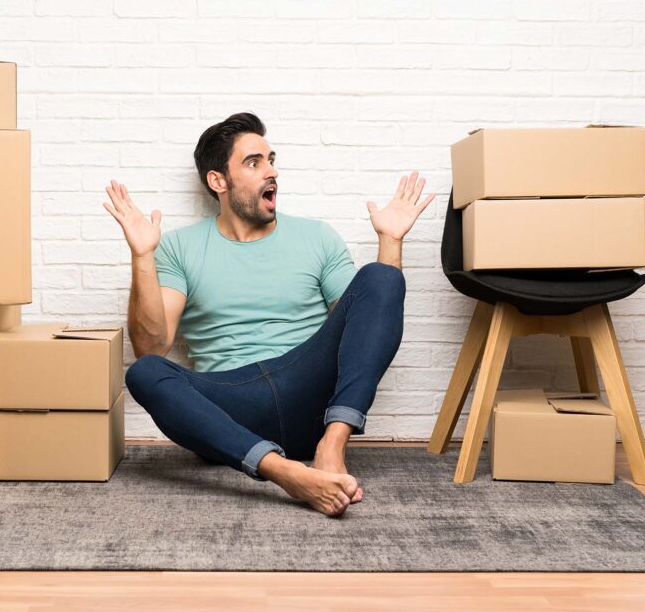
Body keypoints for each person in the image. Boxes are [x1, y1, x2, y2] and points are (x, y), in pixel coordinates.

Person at [103, 112, 434, 517]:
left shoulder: (316, 238)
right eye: (254, 162)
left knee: (380, 278)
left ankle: (331, 447)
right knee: (145, 372)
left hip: (307, 388)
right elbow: (150, 345)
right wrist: (142, 255)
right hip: (230, 408)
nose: (271, 171)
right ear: (218, 181)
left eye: (271, 159)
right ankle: (287, 473)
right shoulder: (177, 247)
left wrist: (390, 243)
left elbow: (364, 327)